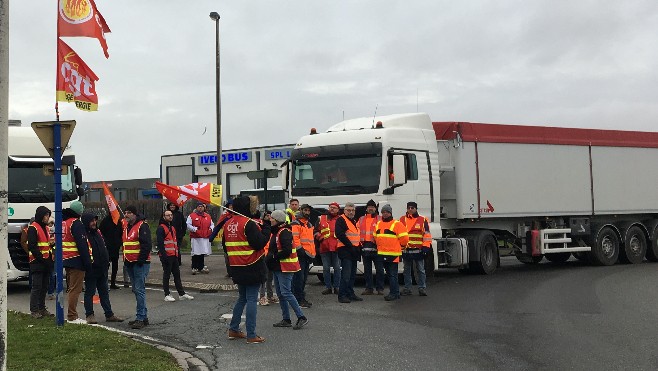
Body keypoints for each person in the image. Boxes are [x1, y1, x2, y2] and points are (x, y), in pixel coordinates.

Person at [224, 196, 271, 344]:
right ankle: (251, 334)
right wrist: (267, 227)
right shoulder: (248, 224)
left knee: (242, 298)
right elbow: (259, 243)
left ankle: (234, 329)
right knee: (251, 299)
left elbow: (226, 247)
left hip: (236, 266)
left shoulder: (228, 224)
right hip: (252, 265)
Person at [267, 210, 309, 330]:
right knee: (281, 294)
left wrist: (273, 256)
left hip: (285, 267)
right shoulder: (278, 231)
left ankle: (301, 317)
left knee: (286, 293)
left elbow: (287, 250)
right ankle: (286, 319)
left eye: (272, 218)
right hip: (278, 266)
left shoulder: (284, 232)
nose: (270, 220)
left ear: (278, 220)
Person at [82, 212, 124, 324]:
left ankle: (109, 314)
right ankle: (89, 315)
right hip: (91, 269)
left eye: (95, 220)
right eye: (92, 221)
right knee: (90, 292)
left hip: (102, 268)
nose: (94, 223)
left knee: (104, 292)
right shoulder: (84, 235)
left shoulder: (98, 233)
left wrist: (106, 262)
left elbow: (103, 247)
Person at [123, 205, 152, 329]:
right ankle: (143, 316)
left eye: (129, 212)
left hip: (140, 263)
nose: (126, 214)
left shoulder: (142, 226)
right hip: (129, 262)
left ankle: (140, 317)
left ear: (135, 214)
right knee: (136, 290)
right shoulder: (126, 227)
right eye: (125, 212)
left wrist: (140, 260)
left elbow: (146, 245)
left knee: (139, 290)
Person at [62, 200, 92, 322]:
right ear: (80, 212)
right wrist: (87, 263)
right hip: (76, 260)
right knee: (76, 289)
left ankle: (71, 314)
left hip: (67, 259)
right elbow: (82, 245)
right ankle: (72, 316)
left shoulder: (64, 223)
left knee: (71, 289)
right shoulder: (76, 223)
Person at [374, 204, 409, 301]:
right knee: (390, 275)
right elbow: (375, 237)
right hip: (382, 254)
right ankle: (396, 293)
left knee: (392, 275)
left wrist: (401, 247)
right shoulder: (378, 224)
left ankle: (393, 293)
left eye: (387, 212)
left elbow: (405, 239)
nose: (385, 214)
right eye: (383, 212)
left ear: (390, 213)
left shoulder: (397, 224)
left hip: (393, 254)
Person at [158, 210, 194, 302]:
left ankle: (181, 294)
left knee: (177, 275)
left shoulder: (172, 228)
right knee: (167, 275)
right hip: (166, 256)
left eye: (171, 215)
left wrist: (177, 254)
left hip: (174, 255)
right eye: (168, 215)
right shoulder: (161, 228)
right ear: (163, 216)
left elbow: (174, 242)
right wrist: (164, 256)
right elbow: (160, 244)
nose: (170, 216)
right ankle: (167, 294)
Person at [27, 206, 54, 318]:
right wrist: (42, 259)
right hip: (37, 262)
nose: (47, 217)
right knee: (37, 287)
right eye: (46, 215)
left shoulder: (46, 228)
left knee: (44, 286)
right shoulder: (33, 228)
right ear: (41, 215)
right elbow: (33, 246)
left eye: (48, 215)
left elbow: (47, 244)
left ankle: (42, 308)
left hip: (46, 261)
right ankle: (34, 310)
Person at [400, 202, 432, 296]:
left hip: (419, 250)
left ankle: (422, 288)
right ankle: (407, 288)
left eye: (412, 207)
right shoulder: (402, 219)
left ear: (416, 209)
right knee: (406, 270)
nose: (410, 209)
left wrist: (426, 247)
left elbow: (427, 234)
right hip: (406, 250)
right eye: (408, 208)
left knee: (421, 270)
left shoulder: (423, 220)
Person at [335, 202, 362, 303]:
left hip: (354, 251)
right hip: (346, 250)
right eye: (349, 210)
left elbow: (354, 235)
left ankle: (350, 293)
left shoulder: (353, 221)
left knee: (352, 275)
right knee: (346, 275)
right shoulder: (341, 220)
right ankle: (342, 295)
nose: (351, 212)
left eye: (352, 210)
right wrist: (350, 246)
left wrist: (357, 247)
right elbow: (340, 234)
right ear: (344, 210)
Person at [314, 202, 341, 295]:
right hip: (324, 247)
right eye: (331, 207)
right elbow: (315, 231)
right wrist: (320, 238)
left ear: (338, 210)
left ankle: (337, 287)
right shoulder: (321, 218)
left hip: (336, 247)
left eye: (334, 208)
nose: (332, 209)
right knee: (326, 268)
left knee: (337, 268)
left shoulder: (340, 219)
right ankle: (328, 287)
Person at [291, 204, 315, 308]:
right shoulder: (296, 223)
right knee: (299, 279)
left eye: (308, 211)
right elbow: (295, 239)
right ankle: (298, 299)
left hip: (307, 255)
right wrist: (301, 251)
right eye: (305, 210)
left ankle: (300, 298)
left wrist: (312, 254)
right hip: (301, 254)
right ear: (301, 210)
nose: (307, 212)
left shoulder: (308, 224)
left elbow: (310, 241)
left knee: (303, 279)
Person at [359, 199, 384, 295]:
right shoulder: (361, 219)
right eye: (369, 207)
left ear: (375, 208)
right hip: (365, 247)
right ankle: (369, 288)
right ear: (366, 208)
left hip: (377, 247)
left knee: (380, 270)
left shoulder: (380, 219)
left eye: (372, 207)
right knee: (367, 270)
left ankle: (380, 288)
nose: (370, 208)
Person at [187, 202, 214, 274]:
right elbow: (188, 225)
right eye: (199, 206)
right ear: (196, 207)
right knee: (195, 253)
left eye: (202, 206)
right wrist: (194, 230)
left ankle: (201, 267)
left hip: (204, 237)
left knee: (202, 252)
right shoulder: (192, 216)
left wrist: (211, 229)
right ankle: (194, 267)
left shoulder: (207, 216)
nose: (200, 208)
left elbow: (212, 224)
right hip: (196, 237)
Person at [209, 199, 234, 278]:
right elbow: (218, 226)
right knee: (227, 256)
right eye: (230, 206)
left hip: (236, 238)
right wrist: (211, 238)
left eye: (233, 206)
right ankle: (230, 272)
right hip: (226, 238)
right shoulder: (225, 216)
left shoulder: (239, 215)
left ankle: (236, 272)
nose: (231, 208)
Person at [98, 213, 124, 289]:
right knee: (106, 266)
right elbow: (100, 233)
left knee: (115, 266)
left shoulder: (118, 222)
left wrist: (119, 242)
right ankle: (104, 283)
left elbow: (121, 232)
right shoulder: (105, 221)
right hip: (107, 247)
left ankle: (113, 283)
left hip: (115, 247)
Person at [257, 210, 277, 306]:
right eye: (267, 215)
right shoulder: (262, 227)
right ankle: (262, 297)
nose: (269, 217)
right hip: (264, 254)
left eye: (271, 216)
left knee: (270, 277)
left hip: (271, 255)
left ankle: (270, 295)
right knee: (264, 277)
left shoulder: (274, 228)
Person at [167, 202, 186, 267]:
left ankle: (178, 261)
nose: (172, 206)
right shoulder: (166, 214)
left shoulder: (179, 214)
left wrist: (183, 233)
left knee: (177, 248)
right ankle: (170, 261)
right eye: (171, 205)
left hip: (178, 235)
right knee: (170, 249)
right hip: (168, 234)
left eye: (173, 205)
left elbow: (184, 224)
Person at [46, 216, 56, 300]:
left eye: (52, 223)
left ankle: (51, 292)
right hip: (45, 256)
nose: (51, 225)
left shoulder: (54, 233)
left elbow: (55, 245)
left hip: (52, 256)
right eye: (50, 223)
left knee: (53, 275)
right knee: (47, 275)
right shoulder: (44, 231)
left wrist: (53, 252)